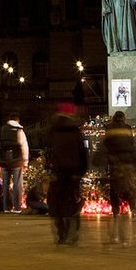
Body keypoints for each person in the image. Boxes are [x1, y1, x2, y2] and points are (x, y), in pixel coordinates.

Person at [46, 104, 89, 245]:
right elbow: (83, 153)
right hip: (73, 173)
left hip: (58, 172)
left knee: (57, 203)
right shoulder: (75, 131)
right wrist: (82, 171)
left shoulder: (53, 131)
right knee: (72, 202)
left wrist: (50, 169)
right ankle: (73, 232)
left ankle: (61, 234)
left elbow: (49, 151)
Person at [101, 110, 136, 245]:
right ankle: (133, 208)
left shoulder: (108, 129)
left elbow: (104, 147)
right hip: (127, 163)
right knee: (130, 187)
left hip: (114, 164)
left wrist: (101, 163)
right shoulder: (127, 129)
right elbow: (132, 147)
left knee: (114, 188)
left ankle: (115, 210)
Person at [0, 114, 29, 212]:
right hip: (16, 160)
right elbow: (24, 147)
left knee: (5, 184)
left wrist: (1, 157)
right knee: (17, 184)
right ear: (17, 120)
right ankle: (17, 208)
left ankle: (6, 208)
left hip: (4, 161)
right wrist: (25, 162)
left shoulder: (1, 130)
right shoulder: (19, 131)